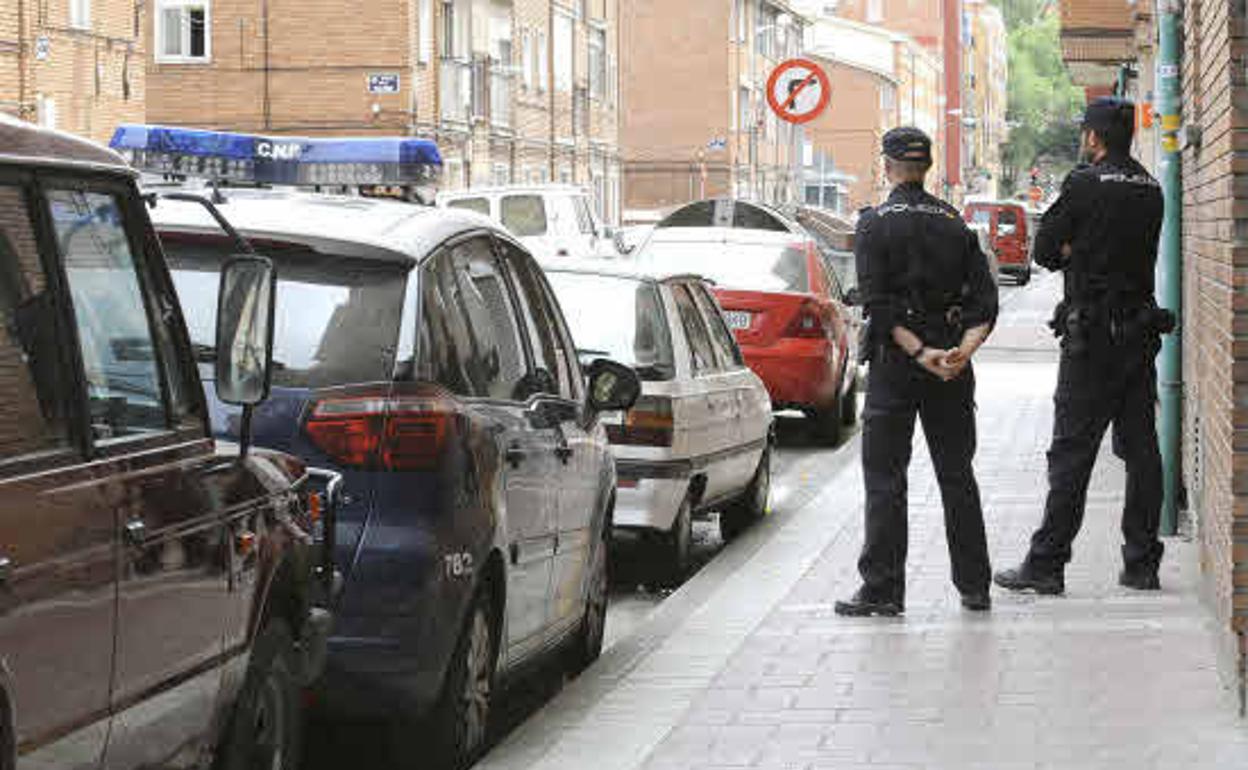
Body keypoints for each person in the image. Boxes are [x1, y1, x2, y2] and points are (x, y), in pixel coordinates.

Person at [995, 97, 1171, 596]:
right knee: (1141, 450)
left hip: (1091, 339)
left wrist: (1078, 247)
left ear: (1093, 138)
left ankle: (1046, 564)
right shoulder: (1151, 188)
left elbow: (1047, 250)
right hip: (1137, 336)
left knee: (1071, 453)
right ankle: (1141, 563)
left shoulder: (1083, 183)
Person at [835, 127, 999, 617]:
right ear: (926, 167)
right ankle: (974, 586)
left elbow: (878, 305)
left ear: (886, 167)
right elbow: (985, 303)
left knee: (886, 478)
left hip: (897, 366)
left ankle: (883, 589)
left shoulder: (876, 224)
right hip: (951, 367)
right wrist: (959, 353)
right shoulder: (956, 223)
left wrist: (919, 351)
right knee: (957, 475)